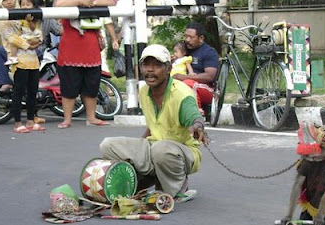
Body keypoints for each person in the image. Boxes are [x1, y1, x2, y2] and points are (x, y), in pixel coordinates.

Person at [99, 44, 208, 203]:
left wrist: (198, 126)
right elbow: (154, 124)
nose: (150, 70)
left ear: (169, 68)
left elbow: (194, 116)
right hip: (155, 146)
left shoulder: (181, 93)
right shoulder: (144, 91)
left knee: (161, 149)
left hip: (183, 153)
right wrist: (138, 148)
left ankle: (177, 188)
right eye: (146, 65)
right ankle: (145, 179)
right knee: (107, 145)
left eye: (157, 65)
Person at [53, 0, 117, 129]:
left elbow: (112, 2)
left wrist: (91, 2)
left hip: (91, 49)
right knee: (69, 86)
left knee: (92, 85)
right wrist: (79, 2)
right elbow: (57, 5)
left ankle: (91, 117)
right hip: (70, 50)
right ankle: (67, 119)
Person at [10, 0, 45, 133]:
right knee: (18, 92)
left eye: (28, 5)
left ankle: (30, 120)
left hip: (34, 62)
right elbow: (12, 38)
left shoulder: (37, 22)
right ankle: (17, 123)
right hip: (20, 62)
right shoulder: (15, 20)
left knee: (32, 92)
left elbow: (39, 38)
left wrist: (33, 43)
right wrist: (29, 45)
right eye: (23, 4)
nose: (25, 7)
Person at [172, 22, 219, 116]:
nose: (187, 40)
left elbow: (210, 76)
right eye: (185, 36)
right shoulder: (184, 50)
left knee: (188, 83)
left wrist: (184, 77)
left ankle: (197, 112)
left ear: (201, 38)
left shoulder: (209, 52)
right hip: (181, 82)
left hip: (207, 89)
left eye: (191, 37)